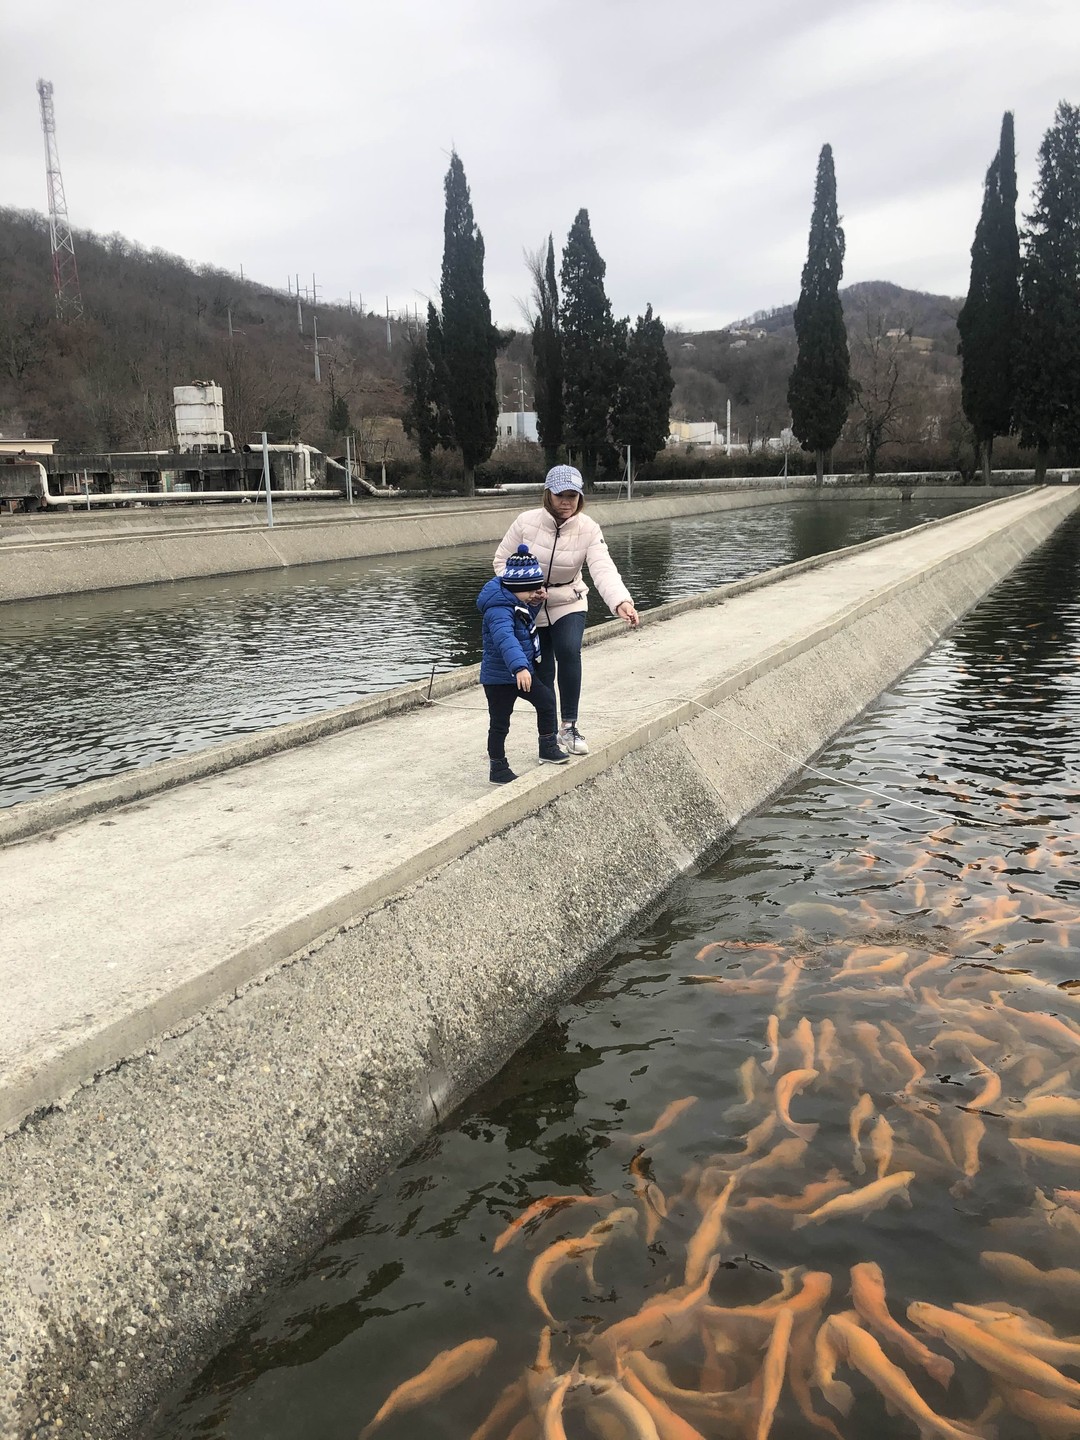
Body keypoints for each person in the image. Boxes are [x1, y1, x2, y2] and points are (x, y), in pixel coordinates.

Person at [493, 464, 640, 756]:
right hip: (530, 605)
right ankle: (548, 735)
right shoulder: (525, 522)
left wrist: (621, 601)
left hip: (569, 599)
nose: (566, 502)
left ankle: (569, 726)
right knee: (543, 669)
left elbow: (602, 568)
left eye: (573, 495)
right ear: (548, 494)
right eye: (561, 495)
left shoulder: (588, 528)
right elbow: (501, 562)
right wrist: (524, 593)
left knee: (569, 650)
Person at [477, 544, 571, 784]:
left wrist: (535, 602)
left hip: (521, 673)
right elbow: (505, 639)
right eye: (531, 590)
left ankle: (548, 746)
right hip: (500, 677)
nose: (534, 593)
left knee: (547, 701)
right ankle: (498, 769)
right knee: (500, 723)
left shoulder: (513, 599)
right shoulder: (498, 609)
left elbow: (523, 619)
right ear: (516, 587)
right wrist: (519, 666)